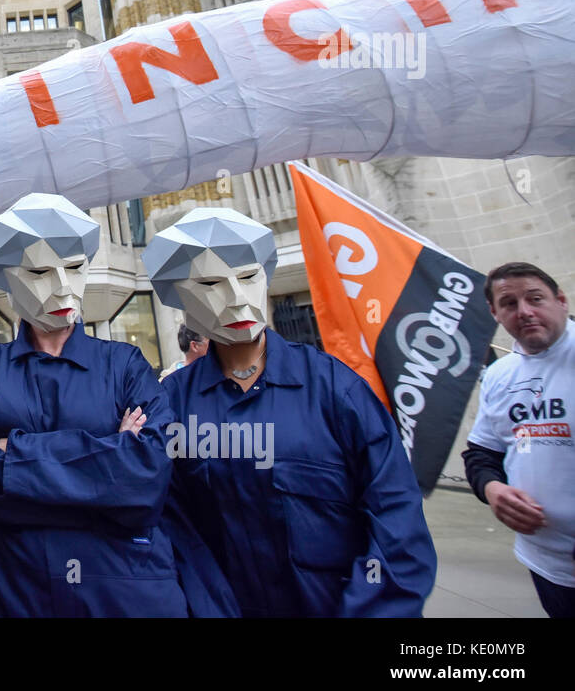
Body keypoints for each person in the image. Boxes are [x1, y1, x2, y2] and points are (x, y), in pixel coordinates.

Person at [0, 193, 235, 617]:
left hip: (122, 592)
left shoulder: (125, 363)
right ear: (8, 279)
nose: (64, 286)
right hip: (10, 591)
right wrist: (110, 453)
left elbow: (147, 479)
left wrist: (16, 453)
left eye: (75, 267)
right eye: (42, 272)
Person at [145, 207, 437, 617]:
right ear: (181, 299)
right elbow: (174, 531)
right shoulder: (171, 406)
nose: (236, 297)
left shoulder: (336, 388)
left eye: (247, 276)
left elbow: (396, 516)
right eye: (210, 283)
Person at [462, 261, 574, 617]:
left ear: (561, 300)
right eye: (509, 304)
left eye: (535, 298)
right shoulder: (499, 375)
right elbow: (481, 454)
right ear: (495, 313)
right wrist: (493, 490)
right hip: (547, 565)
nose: (525, 312)